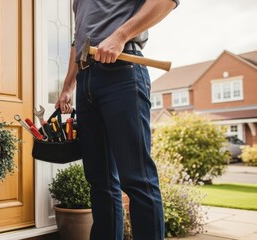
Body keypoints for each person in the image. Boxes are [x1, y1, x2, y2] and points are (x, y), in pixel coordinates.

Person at [55, 0, 180, 239]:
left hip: (122, 71)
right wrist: (68, 87)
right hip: (86, 81)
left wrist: (120, 35)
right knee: (100, 181)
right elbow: (78, 41)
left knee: (137, 178)